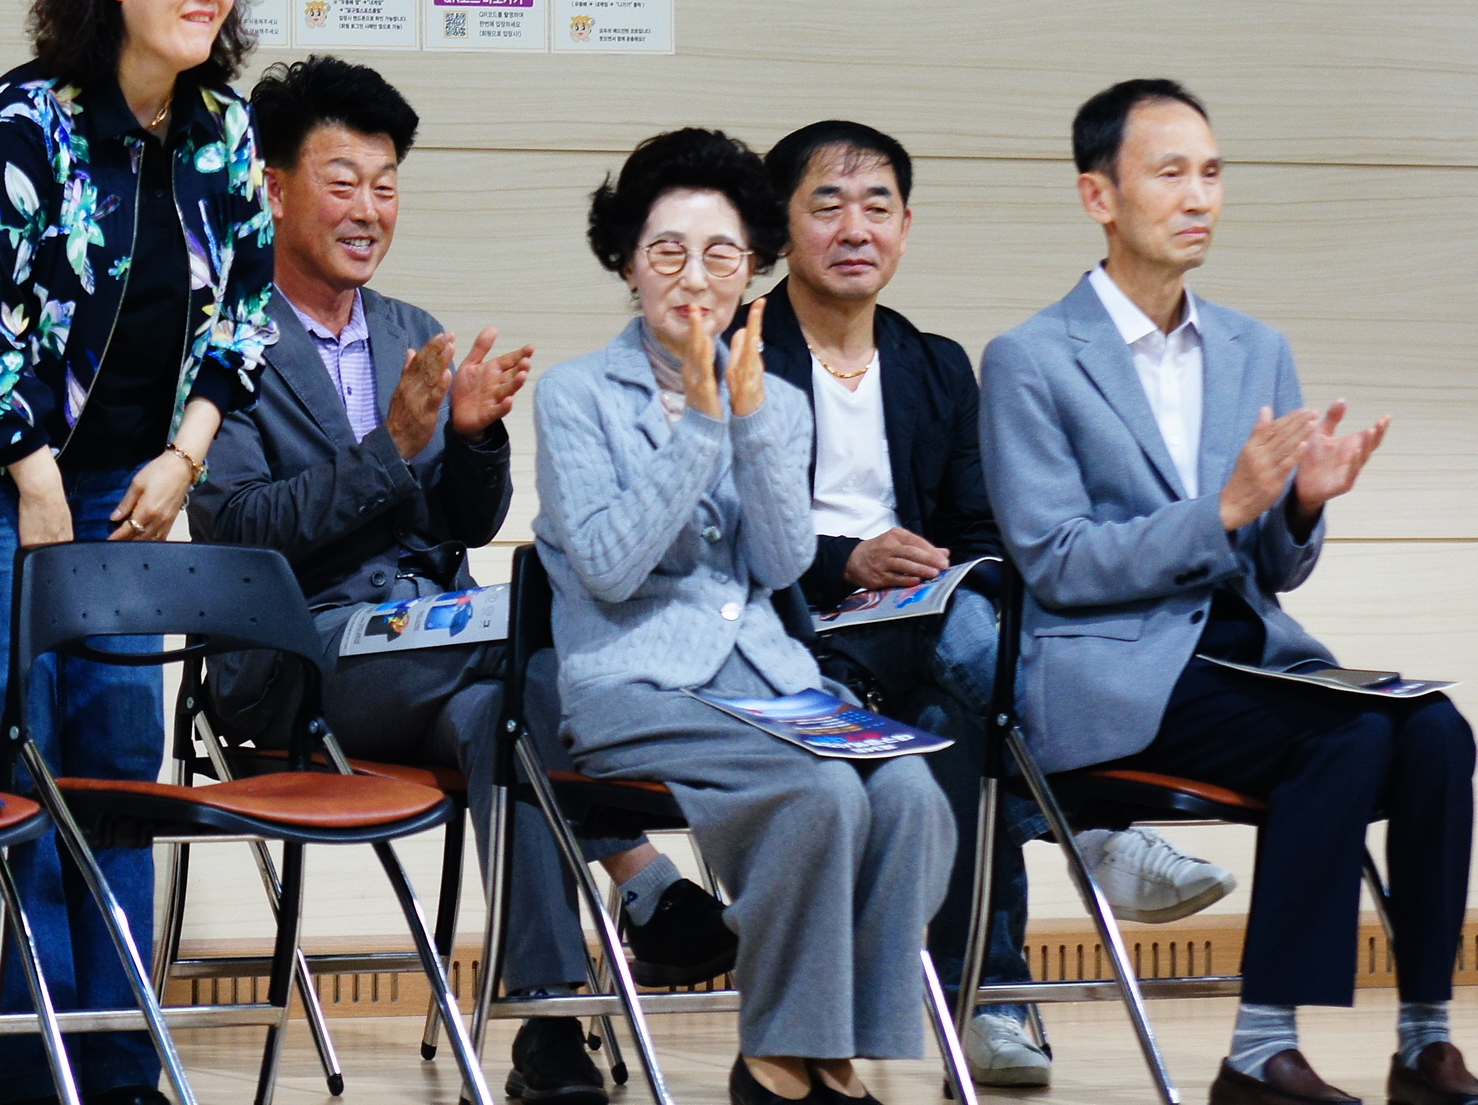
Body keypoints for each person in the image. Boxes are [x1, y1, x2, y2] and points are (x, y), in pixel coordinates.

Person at [189, 57, 733, 1105]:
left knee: (508, 713)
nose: (368, 209)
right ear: (274, 188)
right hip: (296, 655)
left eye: (386, 184)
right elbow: (239, 533)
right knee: (540, 644)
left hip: (435, 648)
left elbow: (462, 524)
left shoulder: (409, 328)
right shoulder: (223, 340)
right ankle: (645, 878)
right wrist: (392, 449)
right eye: (343, 182)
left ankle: (547, 1026)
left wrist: (476, 439)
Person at [983, 79, 1471, 1105]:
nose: (1200, 195)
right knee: (1347, 737)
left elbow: (1276, 570)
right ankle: (1260, 1048)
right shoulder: (1030, 359)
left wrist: (1300, 506)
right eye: (1170, 173)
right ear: (1099, 196)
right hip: (1111, 677)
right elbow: (1056, 561)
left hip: (1248, 659)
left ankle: (1425, 1035)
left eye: (1212, 172)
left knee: (1436, 731)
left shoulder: (1257, 346)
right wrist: (1225, 509)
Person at [0, 0, 278, 1105]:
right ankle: (22, 1065)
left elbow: (245, 314)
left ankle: (116, 1061)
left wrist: (185, 456)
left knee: (118, 753)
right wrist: (32, 473)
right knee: (14, 742)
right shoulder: (26, 119)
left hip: (131, 468)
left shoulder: (222, 129)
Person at [757, 120, 1233, 1088]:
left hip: (926, 635)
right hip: (792, 638)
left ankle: (987, 999)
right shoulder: (735, 356)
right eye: (827, 205)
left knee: (956, 711)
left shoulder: (934, 363)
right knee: (968, 647)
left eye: (879, 206)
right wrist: (849, 562)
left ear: (906, 226)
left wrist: (935, 573)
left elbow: (984, 528)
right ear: (780, 227)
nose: (856, 228)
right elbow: (722, 535)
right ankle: (1085, 827)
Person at [534, 127, 951, 1105]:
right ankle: (777, 1058)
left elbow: (781, 564)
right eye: (667, 251)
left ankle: (834, 1049)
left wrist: (754, 420)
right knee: (821, 795)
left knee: (911, 796)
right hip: (635, 682)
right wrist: (703, 427)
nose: (695, 277)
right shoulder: (576, 394)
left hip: (768, 683)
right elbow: (609, 567)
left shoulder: (777, 398)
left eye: (722, 255)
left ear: (752, 268)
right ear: (626, 262)